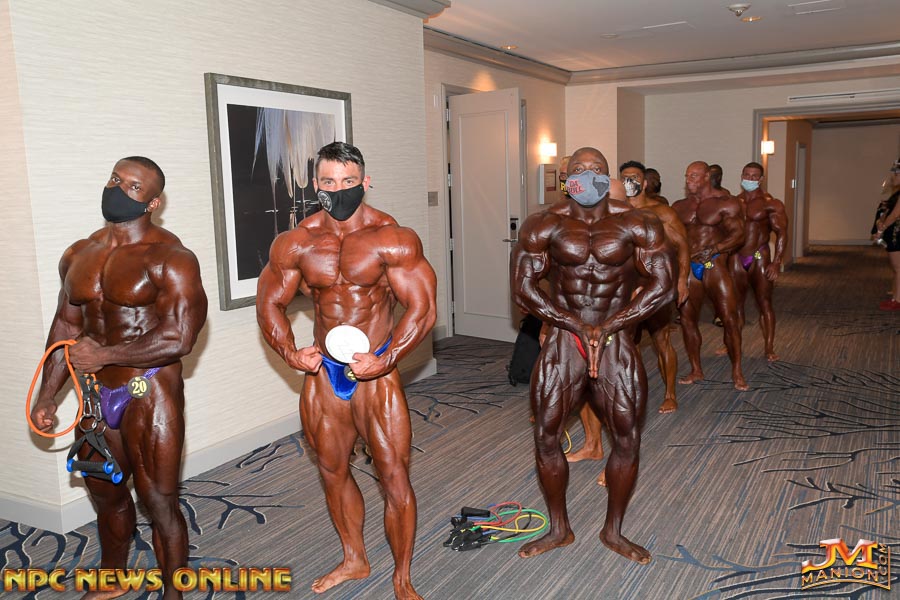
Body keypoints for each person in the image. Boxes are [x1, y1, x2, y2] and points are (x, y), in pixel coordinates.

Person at [256, 142, 436, 599]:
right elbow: (270, 302)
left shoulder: (391, 237)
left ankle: (403, 578)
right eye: (329, 182)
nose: (339, 190)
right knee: (332, 471)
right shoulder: (297, 242)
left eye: (349, 181)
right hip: (324, 375)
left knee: (394, 476)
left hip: (376, 373)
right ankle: (354, 558)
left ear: (365, 182)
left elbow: (423, 307)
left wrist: (387, 358)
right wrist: (290, 352)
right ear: (315, 185)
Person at [30, 157, 208, 600]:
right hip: (95, 393)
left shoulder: (172, 257)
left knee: (158, 500)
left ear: (153, 202)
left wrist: (105, 354)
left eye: (133, 186)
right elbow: (66, 327)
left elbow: (180, 337)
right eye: (115, 179)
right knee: (105, 494)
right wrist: (47, 394)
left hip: (150, 390)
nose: (118, 189)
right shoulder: (78, 254)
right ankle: (113, 578)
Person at [511, 147, 675, 564]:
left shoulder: (638, 222)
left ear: (609, 176)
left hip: (615, 335)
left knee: (628, 436)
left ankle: (613, 531)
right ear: (566, 179)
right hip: (565, 336)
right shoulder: (543, 224)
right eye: (580, 170)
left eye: (597, 169)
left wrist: (614, 323)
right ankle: (559, 528)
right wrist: (572, 322)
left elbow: (664, 285)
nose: (589, 175)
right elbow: (522, 289)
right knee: (546, 435)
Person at [566, 160, 690, 477]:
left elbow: (674, 253)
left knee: (622, 376)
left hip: (640, 303)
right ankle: (593, 444)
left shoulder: (653, 218)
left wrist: (677, 281)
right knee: (587, 377)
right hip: (601, 311)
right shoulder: (595, 224)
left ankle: (622, 454)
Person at [672, 161, 748, 391]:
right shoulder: (679, 206)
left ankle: (737, 371)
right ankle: (696, 369)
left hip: (713, 263)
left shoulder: (726, 203)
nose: (689, 180)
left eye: (694, 176)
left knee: (729, 318)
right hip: (689, 266)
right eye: (687, 176)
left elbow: (739, 234)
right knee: (687, 320)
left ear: (707, 176)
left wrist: (715, 248)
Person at [728, 162, 788, 359]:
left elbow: (782, 233)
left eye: (754, 176)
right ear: (741, 175)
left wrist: (776, 262)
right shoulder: (733, 202)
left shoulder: (771, 203)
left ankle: (769, 347)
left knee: (764, 302)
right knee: (735, 304)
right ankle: (732, 344)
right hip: (736, 256)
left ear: (761, 179)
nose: (750, 179)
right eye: (747, 175)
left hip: (759, 255)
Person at [873, 159, 900, 310]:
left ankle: (897, 300)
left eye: (896, 173)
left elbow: (895, 214)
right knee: (897, 268)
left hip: (897, 235)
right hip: (895, 233)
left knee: (898, 268)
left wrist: (881, 229)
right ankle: (896, 297)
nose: (893, 176)